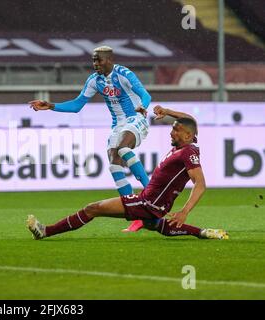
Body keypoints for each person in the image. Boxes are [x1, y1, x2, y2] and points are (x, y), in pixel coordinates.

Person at [26, 105, 229, 240]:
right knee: (158, 226)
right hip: (153, 202)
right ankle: (204, 232)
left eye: (176, 130)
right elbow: (189, 119)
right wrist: (167, 111)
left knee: (92, 208)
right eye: (172, 128)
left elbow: (200, 183)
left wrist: (184, 211)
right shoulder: (186, 143)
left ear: (187, 135)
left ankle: (45, 232)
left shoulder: (189, 153)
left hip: (148, 203)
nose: (171, 131)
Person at [29, 46, 151, 232]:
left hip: (136, 118)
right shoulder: (95, 81)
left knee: (123, 148)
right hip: (118, 125)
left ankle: (153, 194)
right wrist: (51, 105)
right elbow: (77, 105)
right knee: (114, 162)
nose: (95, 64)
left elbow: (145, 94)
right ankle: (136, 213)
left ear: (109, 60)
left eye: (99, 60)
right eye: (93, 61)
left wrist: (143, 106)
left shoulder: (124, 74)